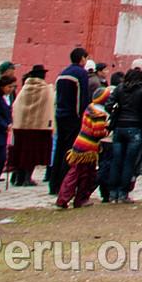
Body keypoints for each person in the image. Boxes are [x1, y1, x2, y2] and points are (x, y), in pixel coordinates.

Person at [55, 85, 112, 208]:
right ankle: (77, 199)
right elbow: (98, 133)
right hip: (89, 149)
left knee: (75, 174)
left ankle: (65, 199)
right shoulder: (100, 115)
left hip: (79, 144)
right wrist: (108, 129)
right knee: (84, 176)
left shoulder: (89, 108)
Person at [103, 63, 142, 202]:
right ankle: (123, 192)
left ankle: (112, 192)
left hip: (119, 126)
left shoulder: (120, 88)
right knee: (129, 162)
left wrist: (117, 113)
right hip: (135, 126)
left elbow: (108, 105)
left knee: (116, 160)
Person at [49, 48, 91, 193]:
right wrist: (82, 117)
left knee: (59, 148)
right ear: (82, 58)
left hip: (60, 115)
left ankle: (54, 183)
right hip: (73, 117)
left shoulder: (63, 73)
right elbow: (82, 98)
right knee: (70, 150)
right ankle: (64, 183)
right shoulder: (81, 73)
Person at [4, 65, 51, 187]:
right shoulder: (45, 89)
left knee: (21, 152)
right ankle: (27, 178)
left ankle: (17, 178)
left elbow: (17, 105)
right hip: (38, 127)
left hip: (21, 126)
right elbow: (48, 108)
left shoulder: (25, 88)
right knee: (32, 154)